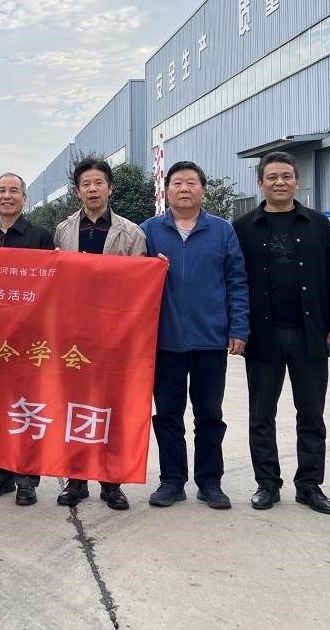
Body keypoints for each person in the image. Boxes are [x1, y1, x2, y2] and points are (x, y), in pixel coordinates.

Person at [233, 151, 330, 515]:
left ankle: (309, 485)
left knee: (311, 413)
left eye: (286, 176)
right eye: (272, 177)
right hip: (263, 335)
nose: (279, 182)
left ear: (297, 181)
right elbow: (235, 281)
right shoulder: (244, 226)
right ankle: (267, 483)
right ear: (260, 183)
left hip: (310, 334)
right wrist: (238, 328)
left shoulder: (317, 224)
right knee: (261, 414)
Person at [140, 160, 249, 510]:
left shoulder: (222, 230)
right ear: (166, 190)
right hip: (164, 341)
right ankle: (172, 481)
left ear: (203, 189)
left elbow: (237, 281)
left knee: (209, 415)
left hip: (210, 340)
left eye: (191, 183)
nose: (184, 189)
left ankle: (210, 481)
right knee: (167, 415)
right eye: (177, 183)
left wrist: (239, 328)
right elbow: (131, 281)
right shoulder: (149, 231)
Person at [53, 157, 148, 511]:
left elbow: (140, 285)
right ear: (78, 191)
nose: (92, 189)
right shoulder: (64, 230)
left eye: (98, 183)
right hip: (74, 334)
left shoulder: (132, 233)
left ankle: (112, 482)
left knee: (113, 408)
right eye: (86, 184)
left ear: (110, 188)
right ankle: (76, 480)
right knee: (74, 407)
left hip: (115, 335)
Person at [0, 172, 55, 506]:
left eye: (13, 191)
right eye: (1, 190)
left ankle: (27, 479)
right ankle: (0, 476)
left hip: (26, 341)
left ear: (24, 198)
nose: (7, 196)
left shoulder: (40, 237)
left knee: (26, 409)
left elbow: (50, 286)